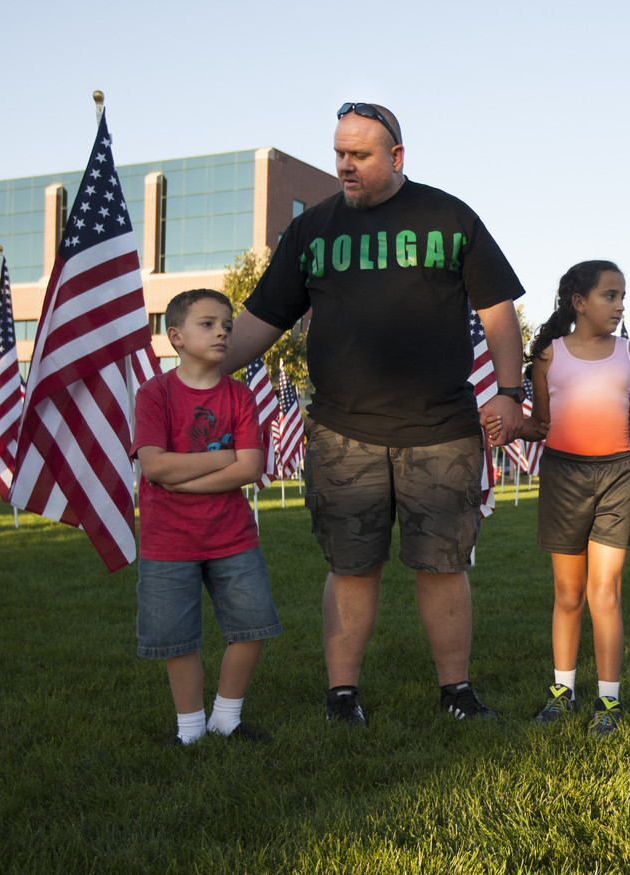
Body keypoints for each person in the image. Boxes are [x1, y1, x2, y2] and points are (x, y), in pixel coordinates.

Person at [222, 102, 527, 725]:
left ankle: (457, 694)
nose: (345, 166)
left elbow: (497, 311)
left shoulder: (450, 217)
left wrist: (507, 390)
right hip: (342, 432)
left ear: (397, 157)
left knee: (443, 565)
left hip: (441, 430)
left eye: (358, 155)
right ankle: (342, 697)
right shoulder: (311, 232)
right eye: (339, 153)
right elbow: (264, 317)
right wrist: (203, 368)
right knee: (351, 566)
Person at [133, 288, 281, 745]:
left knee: (253, 626)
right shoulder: (154, 394)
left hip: (232, 537)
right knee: (177, 639)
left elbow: (251, 467)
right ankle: (190, 729)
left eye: (227, 326)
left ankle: (227, 719)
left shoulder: (239, 396)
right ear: (175, 336)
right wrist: (225, 460)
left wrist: (180, 478)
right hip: (167, 539)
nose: (221, 331)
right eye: (208, 323)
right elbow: (154, 465)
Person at [520, 261, 630, 736]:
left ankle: (608, 702)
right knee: (569, 593)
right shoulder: (548, 358)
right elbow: (540, 424)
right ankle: (562, 692)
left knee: (605, 591)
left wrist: (605, 432)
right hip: (562, 478)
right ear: (579, 302)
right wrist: (509, 425)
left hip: (615, 476)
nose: (619, 306)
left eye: (622, 297)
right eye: (609, 296)